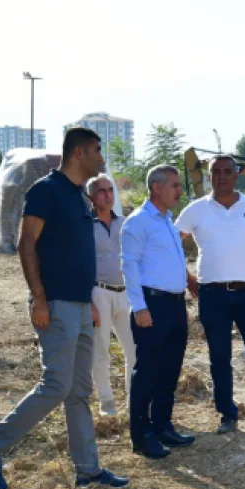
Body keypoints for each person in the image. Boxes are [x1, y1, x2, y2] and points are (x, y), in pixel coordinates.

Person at [0, 127, 128, 489]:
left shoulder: (77, 196)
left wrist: (89, 304)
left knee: (78, 391)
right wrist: (39, 298)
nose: (101, 159)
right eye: (97, 152)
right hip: (55, 304)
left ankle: (87, 470)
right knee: (56, 385)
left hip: (81, 305)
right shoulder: (45, 191)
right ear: (79, 153)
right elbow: (27, 246)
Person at [176, 155, 245, 435]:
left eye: (226, 171)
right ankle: (227, 416)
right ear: (209, 176)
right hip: (212, 295)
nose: (221, 176)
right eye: (215, 172)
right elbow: (171, 242)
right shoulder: (196, 210)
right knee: (219, 357)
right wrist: (188, 279)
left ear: (236, 175)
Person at [121, 165, 199, 459]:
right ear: (156, 187)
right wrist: (139, 306)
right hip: (151, 305)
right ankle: (141, 435)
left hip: (174, 304)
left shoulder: (167, 220)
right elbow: (128, 265)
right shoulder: (138, 222)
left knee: (170, 369)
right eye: (175, 185)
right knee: (148, 372)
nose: (180, 191)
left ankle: (162, 425)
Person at [86, 173, 135, 417]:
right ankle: (107, 404)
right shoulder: (84, 226)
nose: (107, 195)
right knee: (101, 350)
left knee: (134, 350)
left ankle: (134, 401)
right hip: (99, 293)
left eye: (110, 190)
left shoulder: (124, 224)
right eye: (101, 191)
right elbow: (81, 266)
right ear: (91, 197)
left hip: (125, 294)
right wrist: (90, 303)